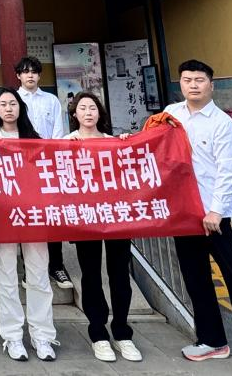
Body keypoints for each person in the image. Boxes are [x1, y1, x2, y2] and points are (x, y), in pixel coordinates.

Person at [168, 60, 232, 376]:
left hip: (218, 217)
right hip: (185, 215)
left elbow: (228, 171)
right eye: (187, 80)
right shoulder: (172, 115)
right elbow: (151, 146)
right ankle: (212, 340)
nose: (193, 85)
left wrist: (215, 210)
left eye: (199, 80)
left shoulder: (222, 123)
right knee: (196, 280)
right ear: (180, 84)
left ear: (211, 85)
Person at [65, 92, 142, 363]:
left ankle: (122, 332)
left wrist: (127, 145)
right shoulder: (66, 142)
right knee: (90, 275)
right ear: (74, 114)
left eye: (93, 108)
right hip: (85, 217)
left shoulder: (114, 141)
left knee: (120, 274)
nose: (88, 112)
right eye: (82, 108)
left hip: (116, 216)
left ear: (100, 113)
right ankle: (98, 333)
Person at [0, 88, 58, 363]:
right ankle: (13, 335)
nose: (8, 108)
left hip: (33, 215)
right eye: (3, 104)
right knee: (5, 276)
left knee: (38, 275)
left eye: (13, 103)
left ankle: (43, 335)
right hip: (2, 216)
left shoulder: (34, 139)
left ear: (20, 108)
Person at [13, 56, 73, 291]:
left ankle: (56, 265)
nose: (30, 76)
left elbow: (58, 132)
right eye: (25, 72)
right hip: (22, 166)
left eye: (34, 72)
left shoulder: (51, 100)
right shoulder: (13, 100)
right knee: (27, 215)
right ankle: (29, 267)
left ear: (39, 75)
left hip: (48, 164)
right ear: (18, 75)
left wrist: (53, 158)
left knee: (51, 214)